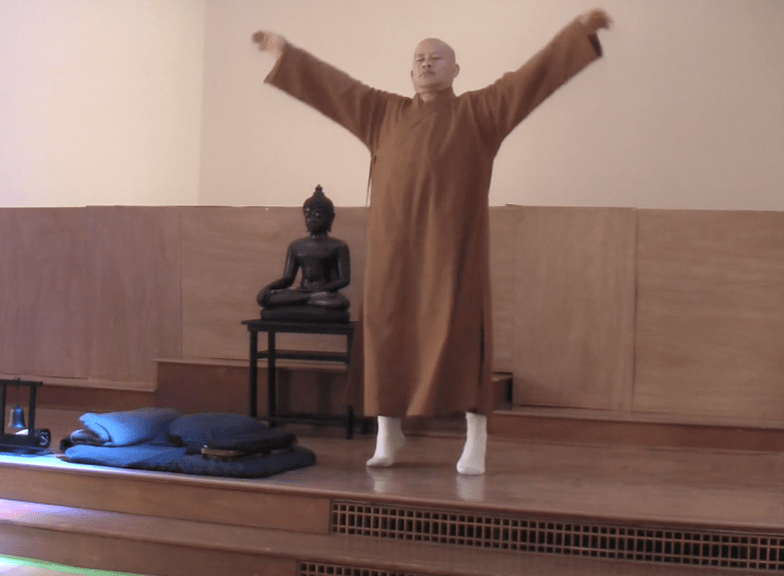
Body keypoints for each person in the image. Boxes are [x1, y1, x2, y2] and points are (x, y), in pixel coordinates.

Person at [253, 9, 611, 475]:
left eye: (437, 57)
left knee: (464, 336)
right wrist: (286, 54)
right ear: (410, 73)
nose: (426, 62)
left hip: (453, 254)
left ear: (456, 69)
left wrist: (577, 33)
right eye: (419, 58)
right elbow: (336, 88)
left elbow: (529, 80)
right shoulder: (382, 113)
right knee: (385, 333)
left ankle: (476, 437)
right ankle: (388, 432)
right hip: (393, 254)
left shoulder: (481, 112)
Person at [258, 185, 351, 312]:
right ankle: (305, 299)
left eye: (317, 215)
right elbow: (287, 279)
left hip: (324, 294)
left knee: (342, 302)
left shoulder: (338, 246)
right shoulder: (296, 246)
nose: (311, 220)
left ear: (331, 218)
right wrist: (268, 288)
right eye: (308, 215)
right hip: (301, 292)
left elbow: (344, 280)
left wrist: (322, 289)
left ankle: (305, 299)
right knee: (265, 298)